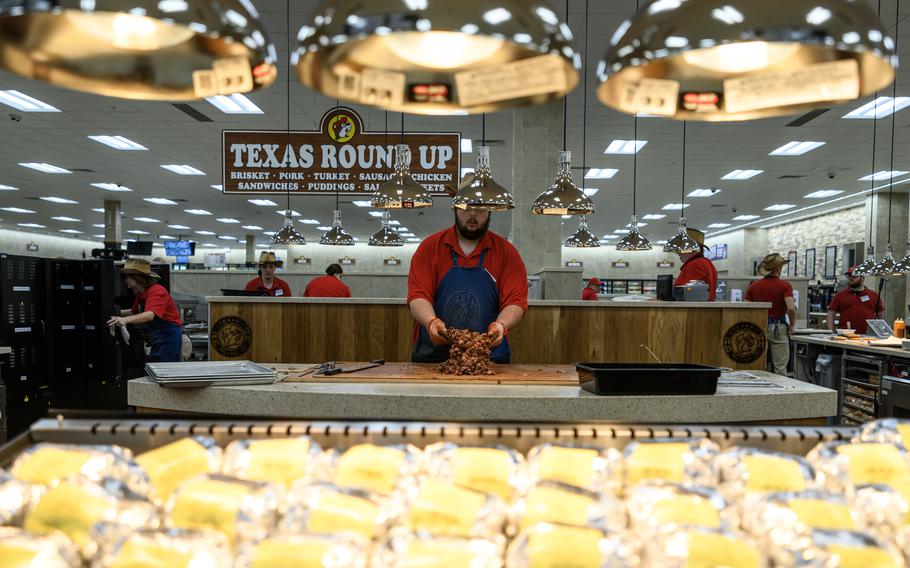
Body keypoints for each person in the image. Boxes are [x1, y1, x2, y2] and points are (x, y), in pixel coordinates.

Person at [407, 208, 528, 363]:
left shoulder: (507, 252)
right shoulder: (430, 247)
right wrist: (431, 322)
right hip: (433, 357)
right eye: (467, 207)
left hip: (489, 358)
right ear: (456, 209)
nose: (473, 214)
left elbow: (515, 302)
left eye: (480, 208)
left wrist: (501, 325)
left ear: (490, 211)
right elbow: (418, 297)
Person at [107, 258, 183, 363]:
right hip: (157, 335)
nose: (125, 280)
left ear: (137, 278)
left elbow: (149, 315)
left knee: (165, 368)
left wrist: (125, 320)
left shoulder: (157, 291)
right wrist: (113, 313)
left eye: (127, 277)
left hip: (169, 336)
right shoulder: (141, 293)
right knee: (155, 365)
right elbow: (134, 311)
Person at [745, 253, 797, 375]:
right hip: (778, 328)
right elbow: (791, 308)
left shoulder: (754, 286)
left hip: (758, 327)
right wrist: (792, 325)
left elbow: (745, 308)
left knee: (757, 365)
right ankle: (780, 393)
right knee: (780, 367)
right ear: (779, 268)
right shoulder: (785, 285)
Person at [827, 265, 884, 334]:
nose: (851, 278)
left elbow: (881, 317)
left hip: (868, 337)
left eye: (854, 276)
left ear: (862, 278)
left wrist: (882, 333)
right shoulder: (840, 295)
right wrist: (831, 332)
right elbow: (831, 314)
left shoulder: (873, 295)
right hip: (845, 337)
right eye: (849, 276)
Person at [674, 228, 718, 300]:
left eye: (681, 248)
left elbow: (689, 295)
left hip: (693, 310)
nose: (677, 253)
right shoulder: (707, 262)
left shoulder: (694, 265)